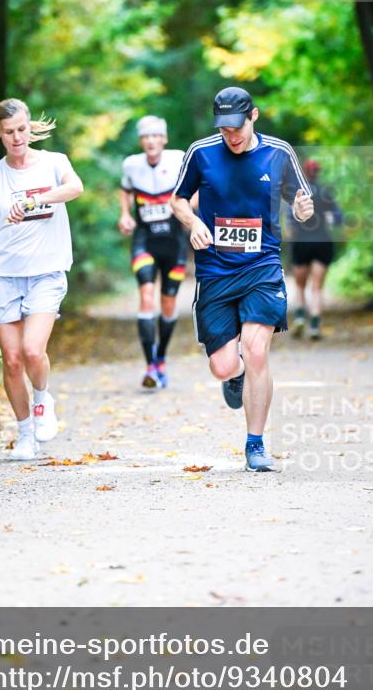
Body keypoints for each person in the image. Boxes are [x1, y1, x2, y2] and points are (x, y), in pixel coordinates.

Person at [171, 87, 314, 472]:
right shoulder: (201, 152)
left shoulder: (279, 153)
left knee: (256, 351)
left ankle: (255, 444)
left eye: (236, 127)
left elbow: (301, 205)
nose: (230, 136)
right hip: (215, 270)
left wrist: (302, 209)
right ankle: (234, 378)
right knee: (223, 365)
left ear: (253, 116)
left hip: (262, 267)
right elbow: (178, 199)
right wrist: (194, 222)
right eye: (224, 129)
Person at [0, 98, 83, 461]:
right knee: (11, 360)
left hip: (46, 271)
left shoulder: (54, 163)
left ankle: (43, 398)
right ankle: (25, 433)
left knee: (32, 350)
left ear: (31, 128)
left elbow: (75, 189)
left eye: (22, 130)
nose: (17, 137)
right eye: (9, 132)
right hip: (4, 275)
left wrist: (33, 201)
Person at [118, 116, 187, 388]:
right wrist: (125, 214)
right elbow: (124, 191)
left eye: (156, 135)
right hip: (144, 240)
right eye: (146, 137)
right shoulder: (131, 165)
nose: (151, 141)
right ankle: (149, 367)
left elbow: (194, 189)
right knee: (146, 297)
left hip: (174, 243)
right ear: (141, 141)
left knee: (168, 304)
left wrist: (191, 213)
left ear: (164, 139)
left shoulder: (178, 159)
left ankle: (161, 358)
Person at [290, 159, 343, 340]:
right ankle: (314, 326)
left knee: (299, 285)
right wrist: (330, 217)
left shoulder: (298, 193)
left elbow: (291, 222)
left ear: (304, 173)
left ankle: (298, 317)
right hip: (323, 242)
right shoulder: (326, 192)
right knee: (317, 287)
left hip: (302, 242)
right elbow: (338, 218)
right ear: (318, 173)